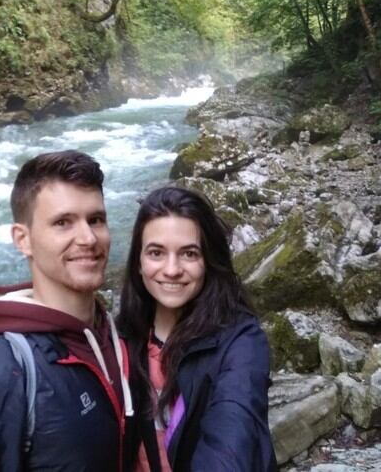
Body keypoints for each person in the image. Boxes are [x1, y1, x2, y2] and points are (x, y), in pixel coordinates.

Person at [0, 150, 133, 471]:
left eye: (96, 219)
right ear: (23, 240)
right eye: (62, 222)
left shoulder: (112, 334)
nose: (87, 238)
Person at [118, 186, 276, 472]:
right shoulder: (121, 337)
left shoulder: (241, 341)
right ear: (138, 263)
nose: (172, 269)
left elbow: (232, 435)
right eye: (156, 253)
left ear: (208, 262)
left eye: (188, 254)